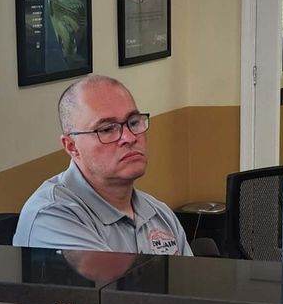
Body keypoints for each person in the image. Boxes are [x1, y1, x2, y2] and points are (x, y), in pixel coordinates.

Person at [14, 75, 190, 254]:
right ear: (72, 146)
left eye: (134, 122)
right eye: (107, 129)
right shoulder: (51, 217)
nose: (129, 138)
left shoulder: (160, 214)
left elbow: (191, 282)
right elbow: (115, 283)